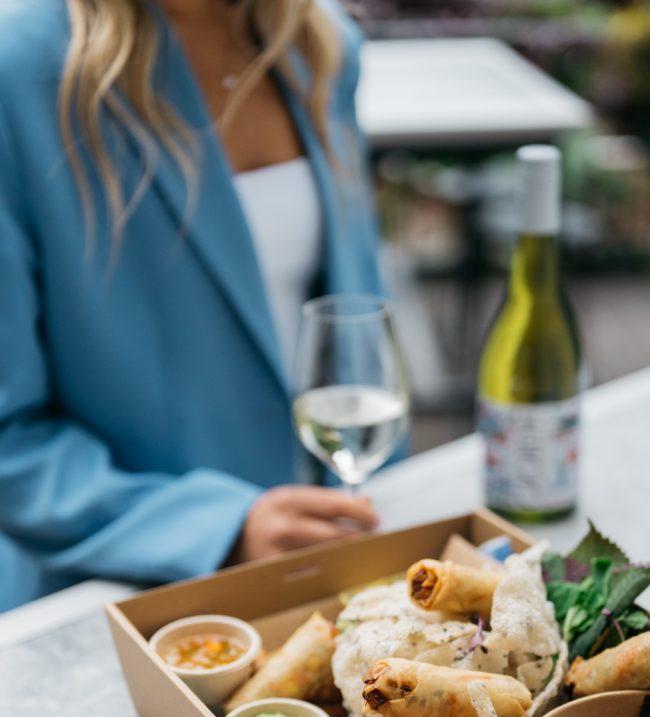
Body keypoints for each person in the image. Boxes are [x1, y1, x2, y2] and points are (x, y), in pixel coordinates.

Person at [0, 0, 386, 612]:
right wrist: (221, 527)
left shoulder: (321, 44)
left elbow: (353, 321)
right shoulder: (20, 69)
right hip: (127, 600)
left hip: (324, 569)